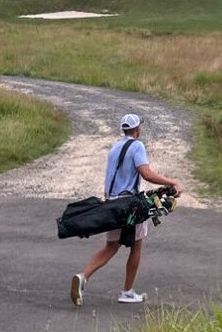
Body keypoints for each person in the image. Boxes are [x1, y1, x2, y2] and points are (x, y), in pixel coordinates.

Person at [70, 113, 181, 307]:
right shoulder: (137, 146)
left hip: (112, 204)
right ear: (137, 130)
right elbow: (146, 173)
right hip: (130, 205)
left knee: (111, 246)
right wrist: (171, 181)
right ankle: (127, 292)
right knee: (137, 246)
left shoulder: (115, 147)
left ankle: (83, 276)